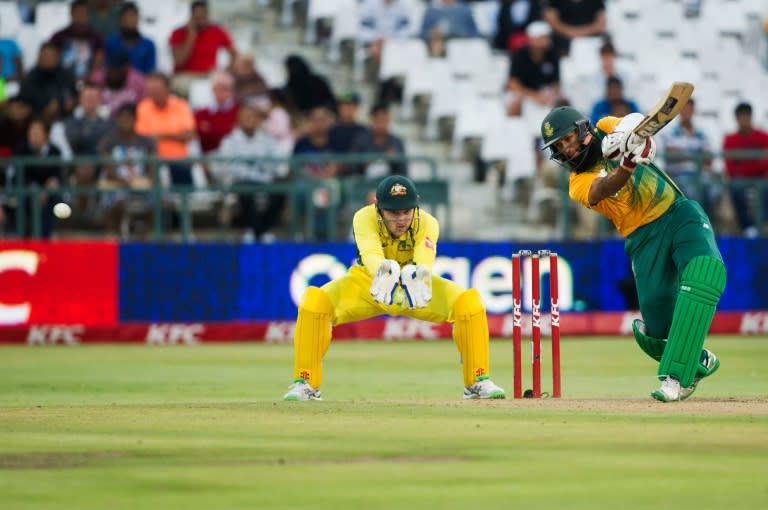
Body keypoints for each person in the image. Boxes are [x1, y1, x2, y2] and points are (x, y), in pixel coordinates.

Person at [539, 105, 726, 402]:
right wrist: (625, 165)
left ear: (583, 129)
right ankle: (696, 358)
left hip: (677, 212)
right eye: (560, 146)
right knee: (655, 334)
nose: (568, 148)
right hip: (642, 238)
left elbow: (640, 126)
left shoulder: (604, 125)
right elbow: (604, 187)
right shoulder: (577, 183)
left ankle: (676, 378)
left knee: (705, 270)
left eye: (569, 138)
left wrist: (634, 141)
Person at [282, 175, 506, 401]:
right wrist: (383, 270)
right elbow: (370, 254)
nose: (401, 220)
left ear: (416, 203)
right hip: (370, 283)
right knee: (314, 302)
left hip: (414, 288)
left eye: (406, 212)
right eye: (393, 213)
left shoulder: (428, 222)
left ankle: (477, 380)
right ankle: (306, 383)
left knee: (468, 303)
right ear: (377, 206)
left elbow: (424, 259)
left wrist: (420, 273)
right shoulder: (363, 217)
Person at [216, 103, 289, 242]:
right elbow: (230, 168)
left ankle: (259, 230)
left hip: (265, 181)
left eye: (252, 117)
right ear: (238, 120)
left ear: (258, 120)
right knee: (245, 188)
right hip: (240, 183)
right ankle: (258, 231)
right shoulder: (229, 141)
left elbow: (278, 164)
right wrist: (258, 171)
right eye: (245, 117)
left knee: (280, 189)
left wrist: (263, 171)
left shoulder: (267, 140)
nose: (249, 120)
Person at [169, 0, 237, 97]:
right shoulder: (178, 33)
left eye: (203, 16)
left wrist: (225, 70)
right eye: (197, 16)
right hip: (185, 76)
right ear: (191, 16)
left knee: (224, 87)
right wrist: (191, 34)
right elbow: (179, 60)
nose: (200, 20)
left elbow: (234, 54)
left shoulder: (217, 31)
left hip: (209, 75)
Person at [722, 102, 768, 238]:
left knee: (765, 187)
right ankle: (748, 228)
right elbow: (730, 167)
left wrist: (743, 165)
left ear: (750, 117)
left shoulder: (763, 137)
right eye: (741, 117)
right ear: (736, 119)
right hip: (741, 180)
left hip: (760, 179)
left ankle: (761, 223)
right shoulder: (730, 140)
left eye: (746, 116)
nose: (744, 120)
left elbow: (765, 165)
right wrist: (754, 164)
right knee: (735, 188)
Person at [505, 21, 560, 117]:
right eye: (541, 37)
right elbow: (512, 84)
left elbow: (557, 83)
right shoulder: (519, 55)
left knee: (563, 103)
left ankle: (562, 129)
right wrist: (535, 96)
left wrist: (550, 94)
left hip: (545, 92)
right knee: (515, 103)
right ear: (530, 39)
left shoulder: (552, 54)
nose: (544, 41)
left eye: (546, 37)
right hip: (524, 92)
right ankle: (514, 128)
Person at [49, 0, 104, 80]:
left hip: (89, 81)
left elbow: (98, 64)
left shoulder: (97, 39)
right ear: (71, 13)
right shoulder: (58, 37)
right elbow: (52, 62)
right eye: (77, 12)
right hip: (61, 82)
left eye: (83, 13)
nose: (80, 16)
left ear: (89, 15)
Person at [348, 103, 406, 177]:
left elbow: (403, 171)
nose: (381, 124)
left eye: (384, 119)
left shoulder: (397, 142)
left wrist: (394, 160)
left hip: (390, 184)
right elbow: (352, 166)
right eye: (378, 119)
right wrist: (364, 163)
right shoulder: (361, 140)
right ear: (372, 120)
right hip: (364, 184)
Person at [104, 2, 157, 74]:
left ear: (138, 19)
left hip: (141, 84)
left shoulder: (148, 45)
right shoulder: (110, 43)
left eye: (133, 16)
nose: (130, 20)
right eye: (127, 16)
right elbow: (106, 69)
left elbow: (151, 72)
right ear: (120, 20)